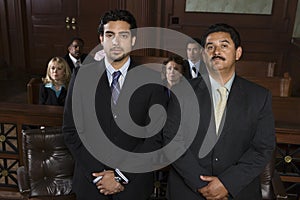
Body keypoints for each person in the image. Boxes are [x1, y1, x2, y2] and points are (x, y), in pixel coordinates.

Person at [63, 9, 168, 200]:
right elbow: (71, 131)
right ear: (101, 39)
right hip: (91, 183)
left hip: (133, 185)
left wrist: (121, 176)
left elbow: (155, 139)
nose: (116, 42)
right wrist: (99, 176)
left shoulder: (152, 81)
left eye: (123, 35)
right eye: (110, 35)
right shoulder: (82, 76)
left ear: (133, 40)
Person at [163, 23, 275, 200]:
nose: (216, 51)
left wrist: (227, 183)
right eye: (210, 47)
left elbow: (262, 148)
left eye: (224, 45)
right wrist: (201, 185)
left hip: (237, 191)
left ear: (238, 53)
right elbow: (173, 141)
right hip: (187, 190)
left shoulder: (259, 97)